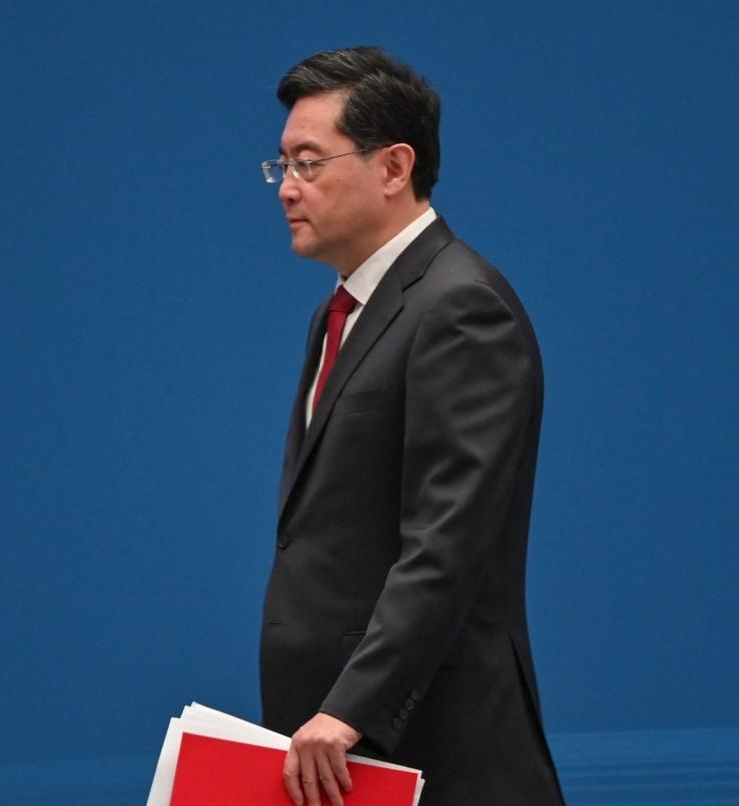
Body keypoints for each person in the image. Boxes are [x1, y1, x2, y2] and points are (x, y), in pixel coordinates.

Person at [258, 47, 566, 806]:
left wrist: (350, 707)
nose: (287, 189)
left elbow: (447, 543)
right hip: (338, 751)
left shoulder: (460, 308)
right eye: (281, 167)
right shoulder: (340, 316)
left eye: (308, 163)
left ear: (394, 167)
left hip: (434, 751)